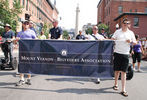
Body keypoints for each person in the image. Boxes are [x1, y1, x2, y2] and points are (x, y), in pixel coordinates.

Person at [111, 18, 136, 97]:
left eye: (127, 23)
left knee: (124, 72)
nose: (125, 24)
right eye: (124, 23)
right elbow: (112, 39)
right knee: (116, 71)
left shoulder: (131, 33)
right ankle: (115, 84)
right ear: (122, 24)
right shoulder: (117, 32)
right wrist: (112, 39)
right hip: (117, 53)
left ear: (129, 24)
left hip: (125, 54)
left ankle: (123, 89)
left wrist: (131, 41)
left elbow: (135, 42)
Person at [15, 20, 37, 86]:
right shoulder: (20, 33)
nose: (26, 24)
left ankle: (28, 79)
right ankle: (22, 79)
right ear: (22, 25)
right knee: (21, 64)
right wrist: (16, 40)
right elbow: (15, 41)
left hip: (30, 51)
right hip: (22, 51)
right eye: (25, 23)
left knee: (29, 64)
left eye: (27, 23)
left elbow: (36, 40)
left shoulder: (32, 32)